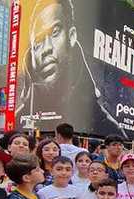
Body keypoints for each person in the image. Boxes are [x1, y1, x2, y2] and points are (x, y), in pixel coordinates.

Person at [15, 0, 126, 137]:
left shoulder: (106, 126)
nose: (46, 48)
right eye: (38, 42)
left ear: (72, 36)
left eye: (55, 32)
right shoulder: (18, 121)